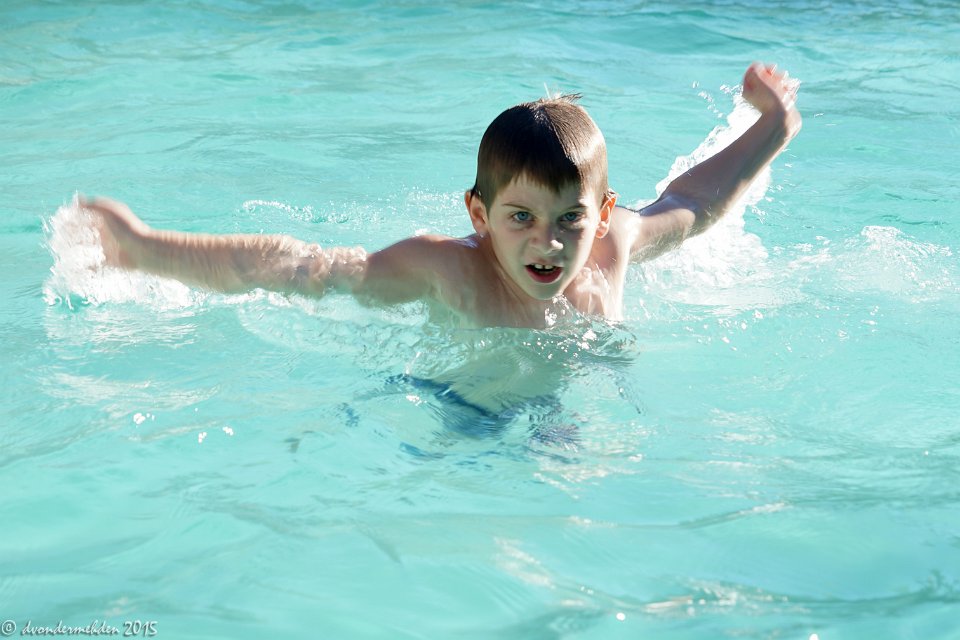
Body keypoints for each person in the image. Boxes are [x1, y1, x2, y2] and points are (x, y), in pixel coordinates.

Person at [80, 62, 800, 329]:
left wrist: (772, 128)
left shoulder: (611, 248)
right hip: (465, 408)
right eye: (520, 218)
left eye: (570, 219)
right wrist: (147, 250)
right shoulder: (448, 270)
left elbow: (693, 205)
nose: (548, 242)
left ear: (603, 213)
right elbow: (301, 267)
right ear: (479, 216)